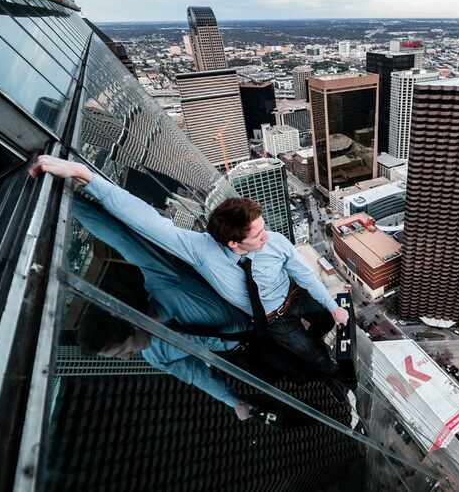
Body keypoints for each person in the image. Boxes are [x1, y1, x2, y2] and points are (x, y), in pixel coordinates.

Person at [31, 156, 350, 384]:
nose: (267, 237)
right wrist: (81, 181)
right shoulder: (201, 252)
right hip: (265, 326)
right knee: (305, 358)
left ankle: (322, 344)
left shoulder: (273, 243)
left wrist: (332, 307)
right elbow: (151, 224)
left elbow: (305, 275)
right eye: (257, 234)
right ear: (233, 245)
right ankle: (330, 374)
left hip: (283, 304)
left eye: (122, 351)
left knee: (321, 320)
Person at [70, 195, 254, 420]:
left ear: (127, 322)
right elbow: (195, 375)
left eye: (121, 351)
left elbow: (120, 238)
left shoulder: (165, 283)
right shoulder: (156, 356)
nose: (127, 358)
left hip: (264, 320)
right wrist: (233, 401)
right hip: (246, 352)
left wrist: (68, 198)